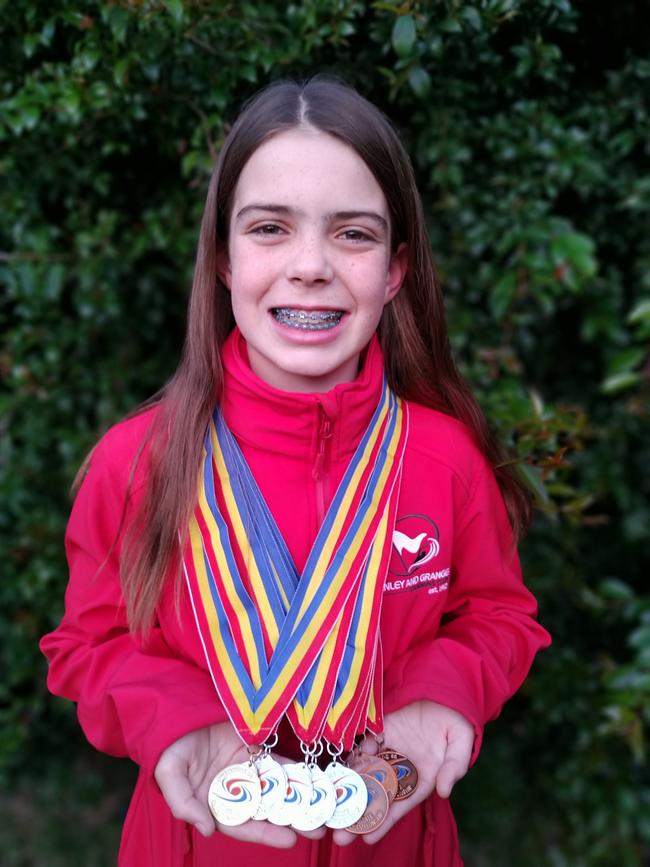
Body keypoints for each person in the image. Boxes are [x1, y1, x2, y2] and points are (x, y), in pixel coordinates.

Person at [41, 76, 551, 866]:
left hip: (392, 838)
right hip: (196, 840)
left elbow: (497, 615)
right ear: (222, 256)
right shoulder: (136, 462)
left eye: (353, 234)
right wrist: (182, 721)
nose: (310, 265)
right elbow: (89, 641)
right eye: (270, 228)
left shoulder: (444, 459)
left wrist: (434, 697)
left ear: (394, 269)